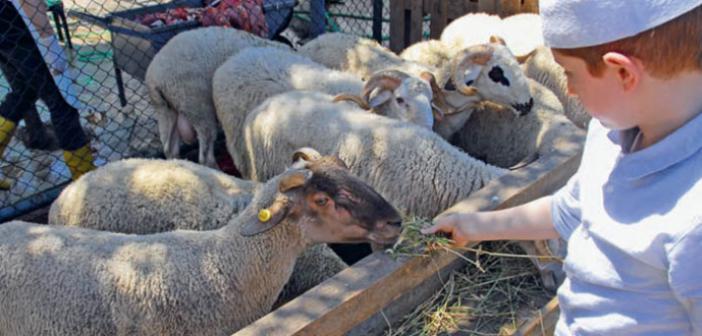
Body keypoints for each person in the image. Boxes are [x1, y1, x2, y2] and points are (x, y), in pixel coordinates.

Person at [423, 1, 702, 334]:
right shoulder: (610, 134)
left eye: (570, 74)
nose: (566, 89)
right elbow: (571, 210)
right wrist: (477, 226)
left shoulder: (693, 218)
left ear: (623, 73)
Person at [0, 0, 94, 190]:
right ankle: (87, 182)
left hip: (5, 29)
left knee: (22, 94)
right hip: (22, 32)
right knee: (61, 101)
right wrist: (49, 42)